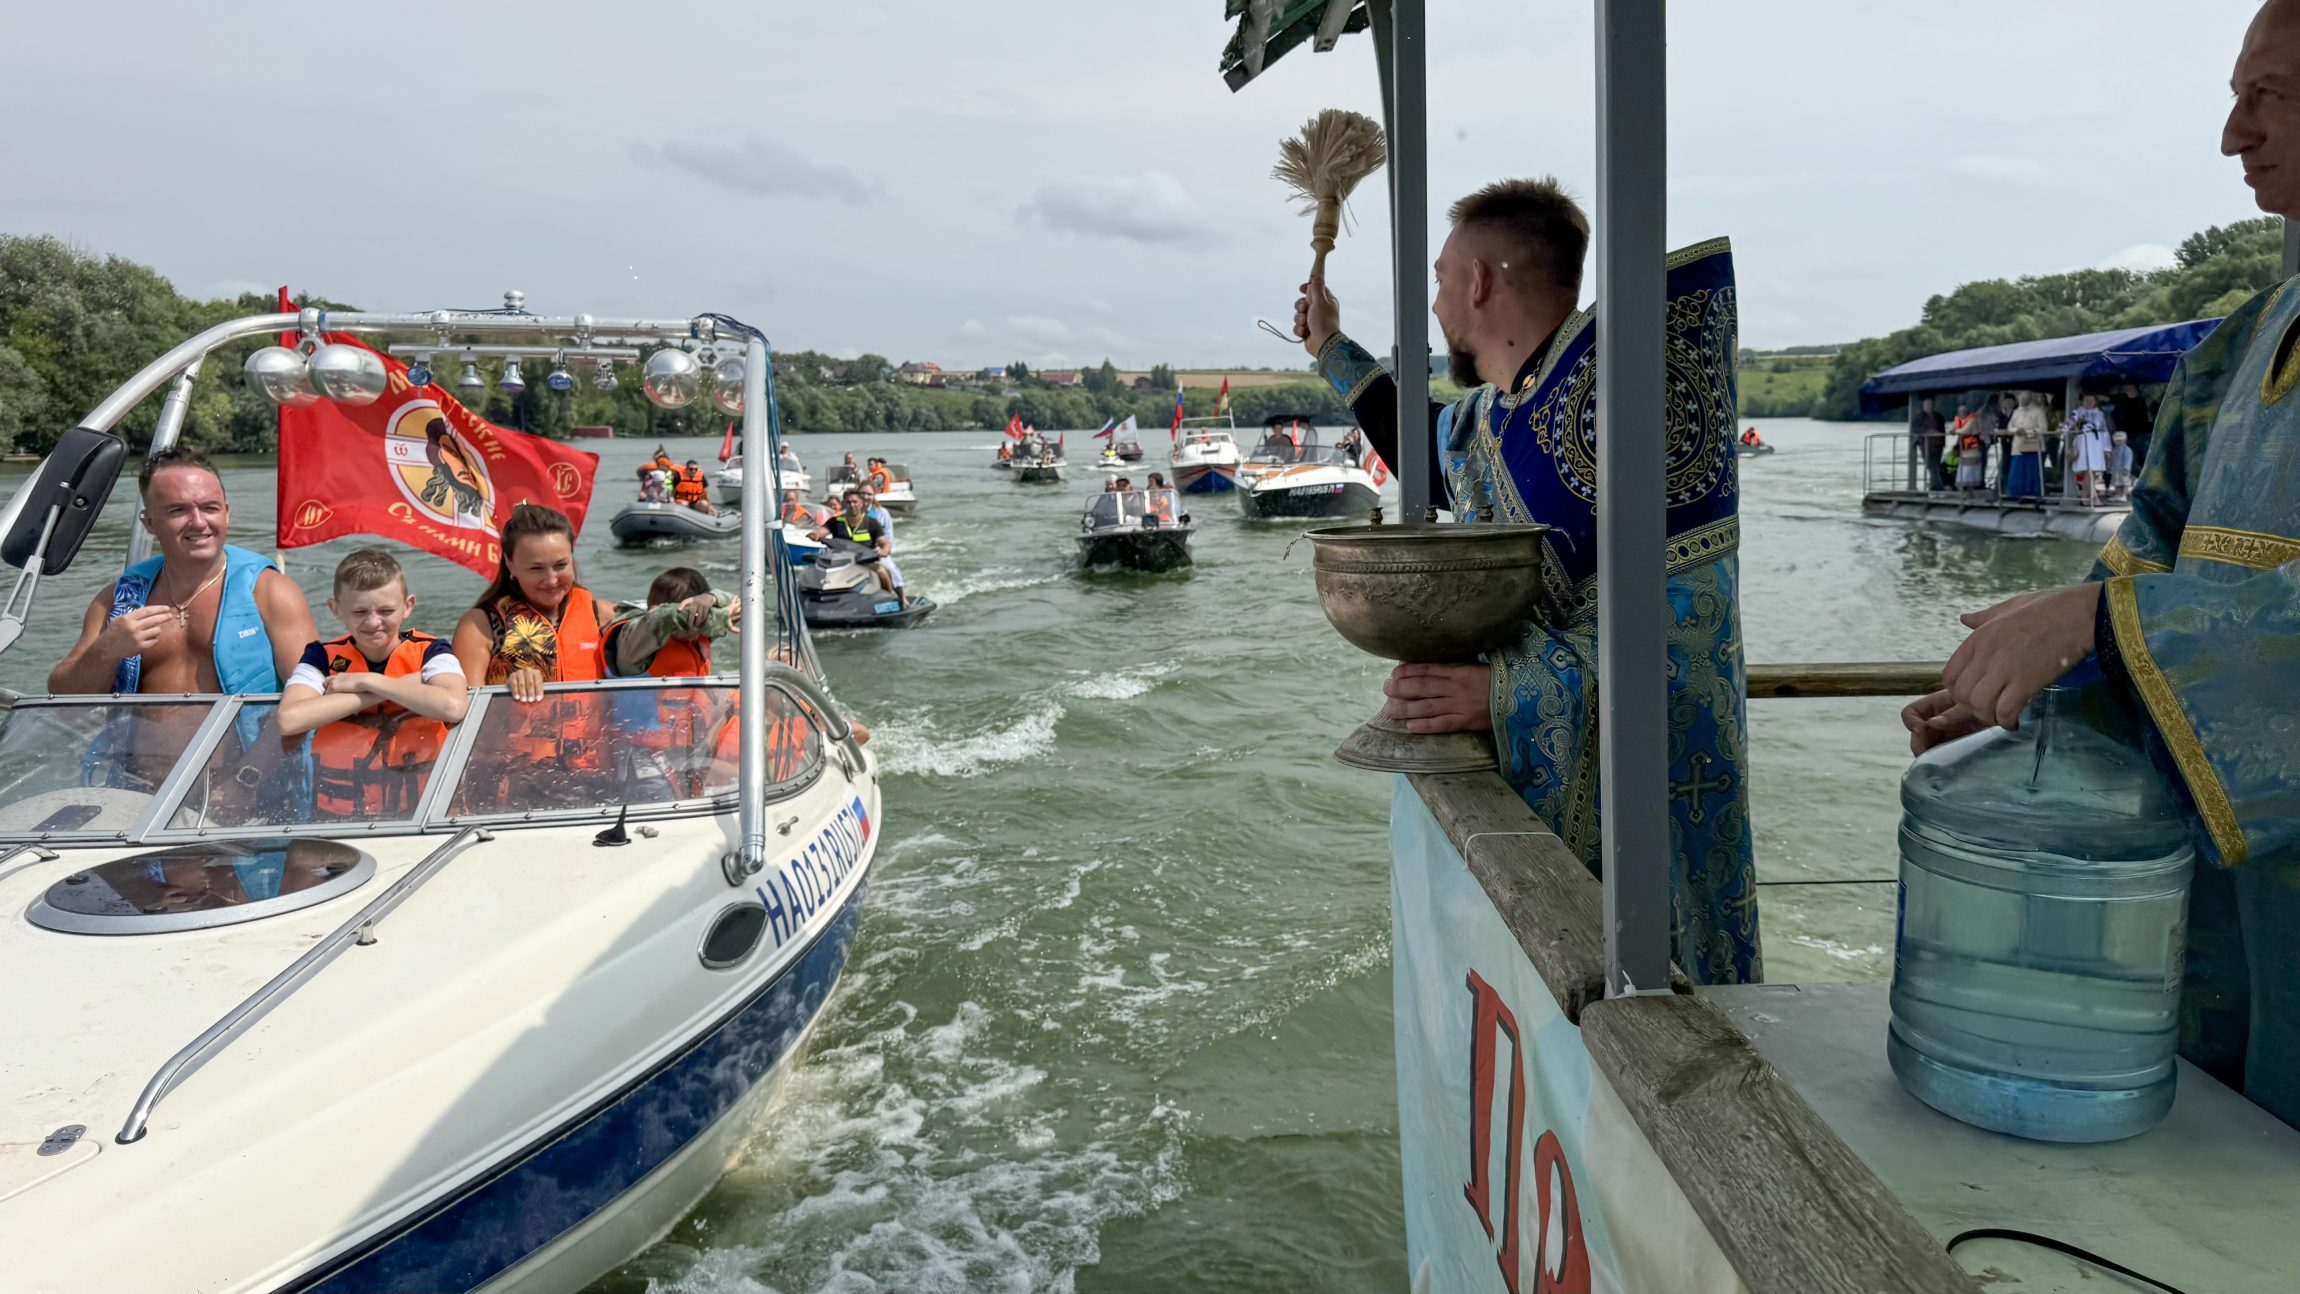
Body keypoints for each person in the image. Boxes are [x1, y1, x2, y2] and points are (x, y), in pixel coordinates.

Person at [1904, 0, 2300, 1131]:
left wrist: (2101, 630)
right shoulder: (2240, 345)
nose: (2231, 135)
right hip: (2223, 925)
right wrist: (2044, 682)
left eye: (2268, 95)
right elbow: (2144, 562)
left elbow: (2120, 613)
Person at [1294, 176, 1758, 984]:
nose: (1437, 303)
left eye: (1441, 279)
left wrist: (1506, 693)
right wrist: (1331, 346)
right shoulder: (1501, 415)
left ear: (1479, 282)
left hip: (1646, 848)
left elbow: (1689, 645)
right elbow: (1423, 445)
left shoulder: (1628, 402)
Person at [51, 449, 317, 697]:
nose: (199, 522)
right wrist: (106, 650)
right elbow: (61, 698)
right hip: (137, 736)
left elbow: (313, 693)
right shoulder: (117, 601)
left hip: (245, 735)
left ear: (226, 514)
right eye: (178, 510)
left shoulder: (271, 592)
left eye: (210, 508)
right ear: (149, 522)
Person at [277, 549, 469, 818]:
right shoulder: (319, 657)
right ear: (336, 609)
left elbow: (453, 706)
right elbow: (289, 719)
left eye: (386, 610)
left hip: (428, 810)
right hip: (340, 815)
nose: (373, 622)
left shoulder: (433, 652)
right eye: (359, 611)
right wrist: (389, 689)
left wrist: (369, 681)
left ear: (408, 606)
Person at [452, 503, 606, 703]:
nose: (551, 580)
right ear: (510, 563)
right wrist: (505, 690)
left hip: (596, 724)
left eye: (561, 565)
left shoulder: (602, 616)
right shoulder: (480, 626)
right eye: (536, 568)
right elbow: (465, 707)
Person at [808, 490, 898, 598]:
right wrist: (815, 534)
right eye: (848, 502)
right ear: (843, 504)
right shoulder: (835, 521)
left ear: (861, 503)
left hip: (865, 562)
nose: (852, 505)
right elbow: (822, 531)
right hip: (840, 563)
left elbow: (884, 542)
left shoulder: (871, 522)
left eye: (855, 502)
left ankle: (891, 597)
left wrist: (884, 550)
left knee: (882, 572)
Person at [855, 486, 908, 600]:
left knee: (891, 569)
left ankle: (902, 597)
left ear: (874, 496)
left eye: (869, 494)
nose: (865, 497)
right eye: (863, 493)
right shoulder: (850, 511)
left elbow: (888, 536)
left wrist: (883, 549)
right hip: (854, 552)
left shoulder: (881, 513)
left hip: (876, 551)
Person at [2061, 394, 2111, 505]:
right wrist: (2063, 430)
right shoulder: (2078, 412)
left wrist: (2106, 448)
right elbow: (2069, 423)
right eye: (2086, 400)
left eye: (2091, 400)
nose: (2088, 403)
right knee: (2088, 468)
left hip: (2096, 442)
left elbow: (2104, 431)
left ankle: (2085, 495)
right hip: (2084, 439)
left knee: (2092, 470)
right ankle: (2093, 496)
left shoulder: (2099, 413)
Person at [2004, 391, 2048, 500]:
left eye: (2025, 400)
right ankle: (2015, 494)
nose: (2022, 402)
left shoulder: (2038, 411)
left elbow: (2043, 428)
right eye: (2021, 400)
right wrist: (2016, 431)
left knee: (2032, 471)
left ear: (2030, 400)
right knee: (2017, 470)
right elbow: (2009, 427)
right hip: (2018, 446)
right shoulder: (2016, 412)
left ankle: (2033, 494)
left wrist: (2028, 432)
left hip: (2033, 446)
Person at [1915, 397, 1948, 490]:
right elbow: (1916, 429)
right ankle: (1937, 486)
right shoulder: (1920, 417)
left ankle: (1935, 486)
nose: (1929, 406)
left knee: (1935, 466)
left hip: (1938, 445)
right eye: (1927, 404)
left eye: (1931, 404)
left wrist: (1940, 436)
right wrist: (1927, 432)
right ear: (1923, 405)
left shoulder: (1939, 416)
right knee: (1930, 465)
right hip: (1926, 445)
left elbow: (1942, 429)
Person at [1954, 414, 1989, 494]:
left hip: (1972, 452)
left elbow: (1963, 431)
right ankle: (1967, 491)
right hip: (1967, 452)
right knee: (1967, 473)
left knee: (1969, 473)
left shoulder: (1973, 420)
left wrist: (1956, 431)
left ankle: (1969, 491)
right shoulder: (1963, 421)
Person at [2108, 430, 2136, 500]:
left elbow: (2128, 459)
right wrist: (2109, 467)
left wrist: (2126, 468)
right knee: (2116, 482)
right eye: (2116, 441)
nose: (2118, 442)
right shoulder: (2114, 450)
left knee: (2125, 482)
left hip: (2124, 469)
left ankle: (2124, 495)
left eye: (2120, 440)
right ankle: (2118, 494)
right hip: (2115, 469)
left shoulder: (2127, 450)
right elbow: (2111, 459)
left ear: (2124, 440)